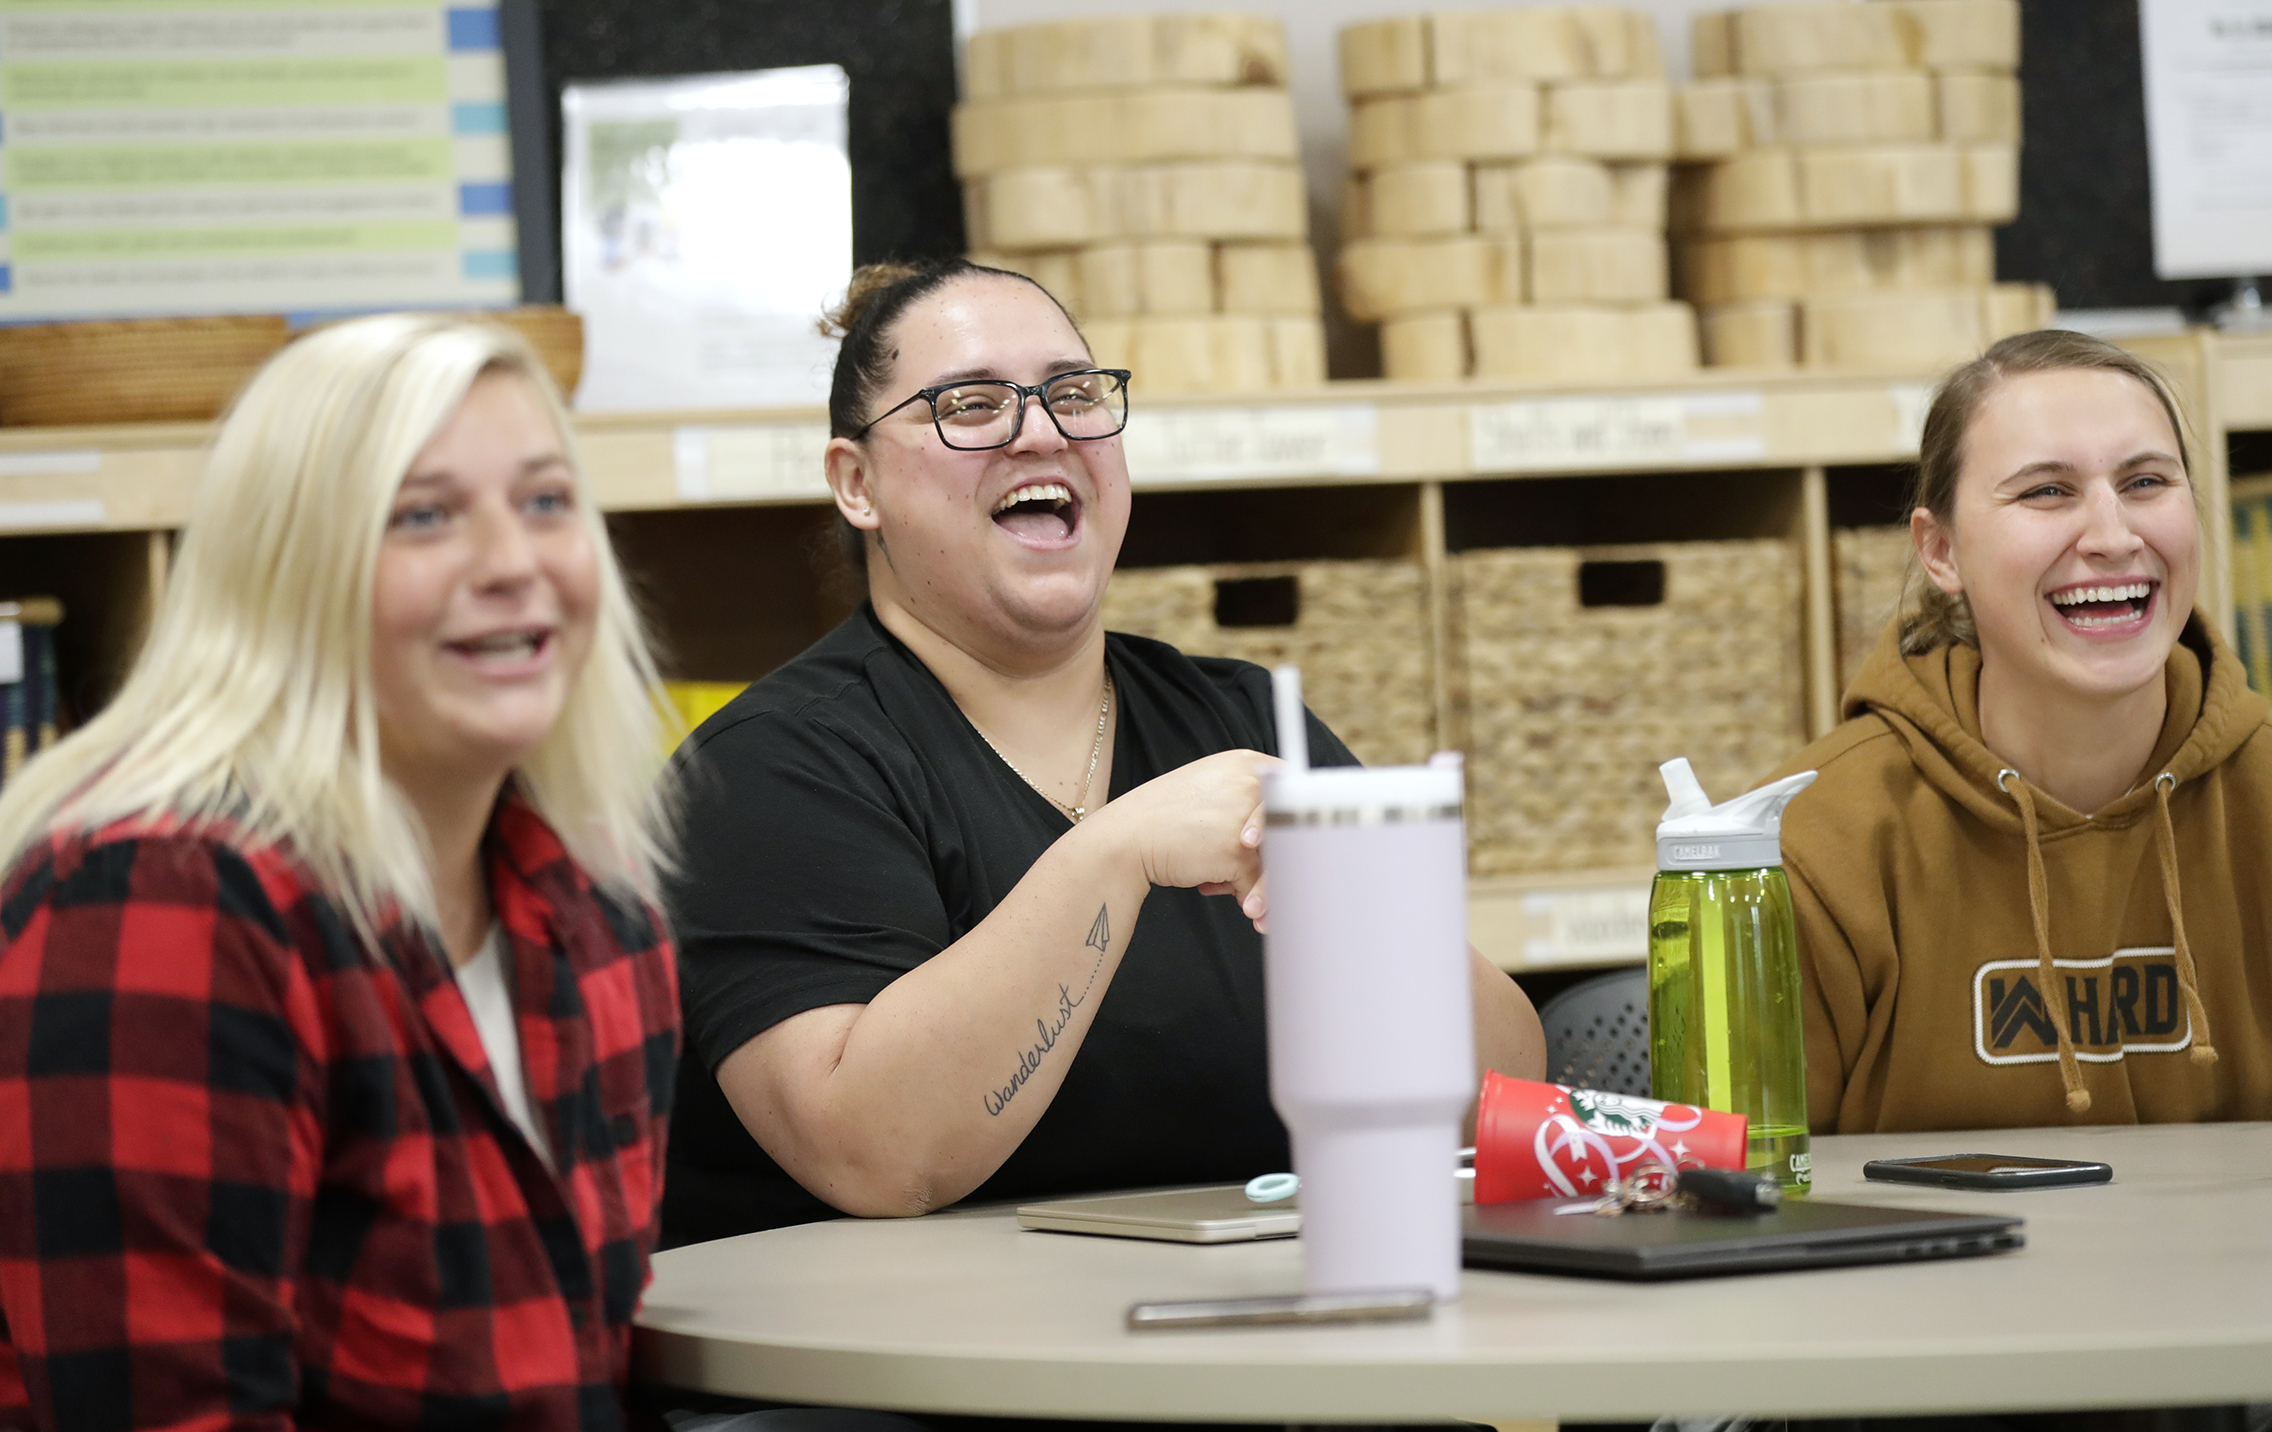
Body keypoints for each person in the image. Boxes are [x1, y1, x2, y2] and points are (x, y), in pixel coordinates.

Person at [665, 258, 1545, 1245]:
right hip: (928, 1383)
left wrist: (1366, 902)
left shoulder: (1244, 718)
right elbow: (877, 1154)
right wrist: (1114, 854)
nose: (1042, 429)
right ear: (857, 483)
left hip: (1273, 1351)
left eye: (1074, 393)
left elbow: (1499, 1102)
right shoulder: (772, 769)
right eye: (972, 402)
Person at [0, 316, 682, 1429]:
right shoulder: (160, 897)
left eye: (547, 501)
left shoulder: (599, 909)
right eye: (424, 516)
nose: (513, 563)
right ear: (287, 573)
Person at [1775, 329, 2272, 1135]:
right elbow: (1744, 1205)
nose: (2112, 535)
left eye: (2145, 482)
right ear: (1939, 551)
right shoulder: (1813, 851)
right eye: (2046, 492)